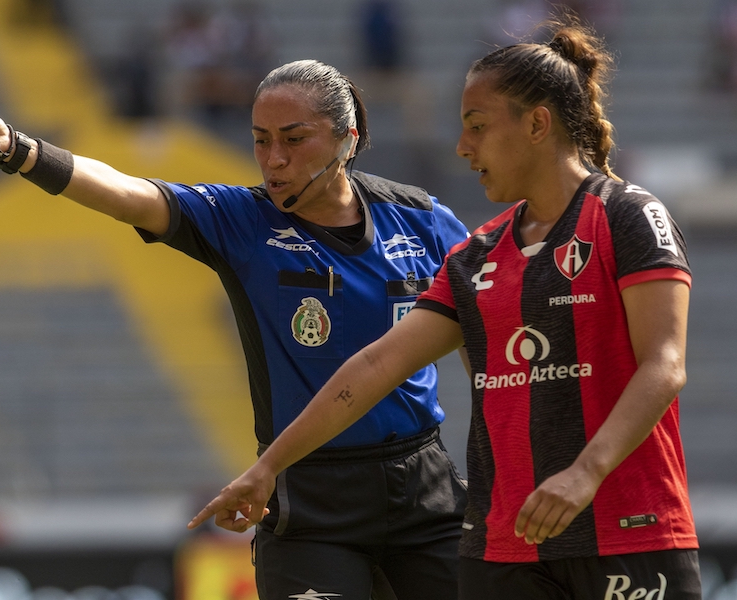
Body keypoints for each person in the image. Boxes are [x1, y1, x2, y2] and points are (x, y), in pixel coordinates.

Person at [189, 15, 703, 600]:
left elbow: (665, 364)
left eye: (477, 127)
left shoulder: (628, 216)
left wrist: (584, 472)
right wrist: (267, 467)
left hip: (629, 531)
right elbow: (376, 367)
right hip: (506, 548)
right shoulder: (475, 256)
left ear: (537, 124)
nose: (462, 146)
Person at [0, 59, 470, 599]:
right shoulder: (242, 221)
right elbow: (127, 194)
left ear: (347, 139)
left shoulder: (424, 220)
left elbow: (482, 349)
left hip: (425, 490)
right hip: (310, 501)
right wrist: (21, 152)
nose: (274, 159)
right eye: (261, 141)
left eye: (294, 139)